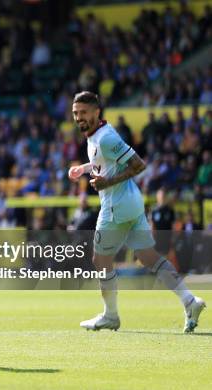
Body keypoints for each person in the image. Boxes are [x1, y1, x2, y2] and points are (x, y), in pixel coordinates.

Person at [68, 91, 205, 333]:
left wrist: (106, 183)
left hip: (116, 207)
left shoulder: (105, 138)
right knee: (148, 256)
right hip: (132, 203)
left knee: (100, 260)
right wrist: (85, 168)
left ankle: (110, 316)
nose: (79, 118)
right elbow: (108, 162)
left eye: (84, 113)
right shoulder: (97, 135)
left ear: (96, 112)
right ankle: (190, 301)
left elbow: (139, 165)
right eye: (76, 113)